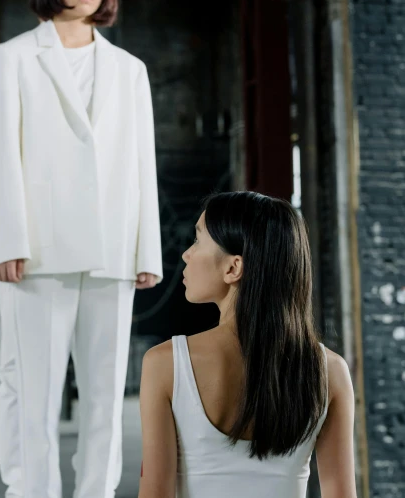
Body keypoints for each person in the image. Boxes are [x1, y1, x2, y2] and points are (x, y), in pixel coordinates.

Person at [0, 0, 163, 496]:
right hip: (39, 252)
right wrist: (7, 241)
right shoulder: (9, 58)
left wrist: (146, 248)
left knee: (106, 395)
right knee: (33, 393)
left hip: (113, 250)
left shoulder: (130, 71)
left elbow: (143, 162)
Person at [138, 191, 357, 498]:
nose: (187, 254)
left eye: (198, 240)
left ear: (233, 268)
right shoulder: (331, 371)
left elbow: (155, 493)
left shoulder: (165, 363)